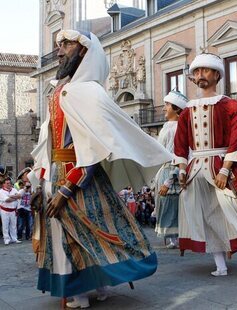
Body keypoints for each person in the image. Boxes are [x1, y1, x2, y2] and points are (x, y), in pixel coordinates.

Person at [29, 29, 172, 308]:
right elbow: (47, 143)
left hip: (78, 178)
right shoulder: (57, 91)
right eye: (59, 45)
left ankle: (81, 294)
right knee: (66, 236)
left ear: (84, 51)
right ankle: (99, 286)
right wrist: (40, 181)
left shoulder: (91, 92)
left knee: (85, 232)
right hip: (56, 174)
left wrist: (67, 189)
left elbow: (93, 147)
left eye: (67, 44)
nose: (59, 51)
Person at [174, 53, 237, 276]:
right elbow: (181, 141)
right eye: (196, 72)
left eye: (205, 70)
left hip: (219, 165)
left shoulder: (231, 107)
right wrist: (182, 168)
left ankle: (231, 249)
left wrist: (225, 169)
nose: (200, 75)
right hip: (196, 169)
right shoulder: (186, 111)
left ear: (217, 74)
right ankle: (220, 264)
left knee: (232, 208)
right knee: (204, 214)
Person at [154, 91, 188, 249]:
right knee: (166, 204)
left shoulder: (176, 129)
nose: (163, 108)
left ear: (176, 108)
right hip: (164, 170)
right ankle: (174, 238)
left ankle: (177, 237)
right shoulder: (166, 127)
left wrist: (169, 180)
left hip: (171, 171)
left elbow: (178, 155)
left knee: (172, 205)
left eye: (167, 105)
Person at [0, 178, 21, 245]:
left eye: (10, 183)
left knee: (13, 225)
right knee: (5, 225)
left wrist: (11, 196)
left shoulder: (14, 189)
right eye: (7, 183)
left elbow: (19, 196)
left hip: (13, 210)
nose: (9, 184)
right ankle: (6, 239)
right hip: (5, 210)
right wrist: (15, 197)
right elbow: (7, 200)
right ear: (3, 184)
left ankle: (14, 238)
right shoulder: (1, 191)